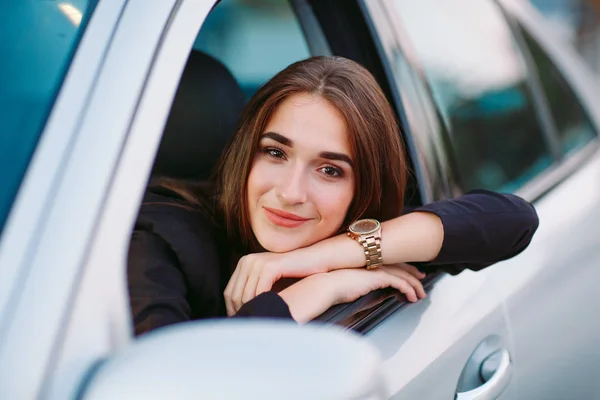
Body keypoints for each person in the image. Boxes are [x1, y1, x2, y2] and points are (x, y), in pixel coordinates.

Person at [128, 56, 539, 336]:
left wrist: (319, 259)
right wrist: (310, 294)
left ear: (362, 188)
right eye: (275, 152)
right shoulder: (159, 236)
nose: (290, 193)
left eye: (330, 170)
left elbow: (513, 220)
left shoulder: (352, 237)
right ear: (246, 150)